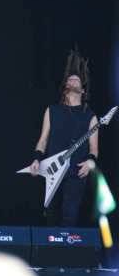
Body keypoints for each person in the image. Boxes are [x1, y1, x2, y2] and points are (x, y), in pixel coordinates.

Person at [28, 49, 98, 226]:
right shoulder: (52, 110)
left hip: (76, 172)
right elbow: (43, 139)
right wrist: (36, 159)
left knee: (70, 216)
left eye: (77, 80)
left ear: (83, 90)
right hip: (53, 169)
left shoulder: (90, 116)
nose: (72, 80)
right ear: (65, 87)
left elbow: (94, 148)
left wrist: (90, 163)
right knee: (51, 215)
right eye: (70, 79)